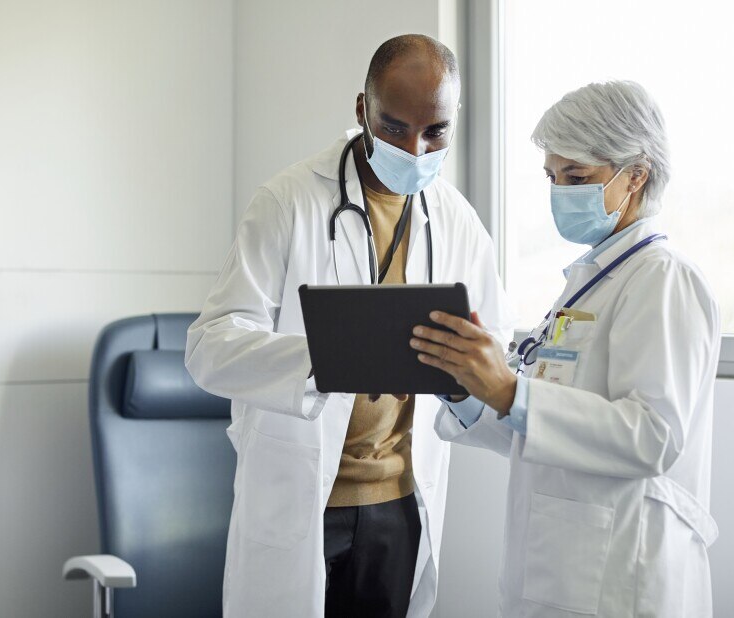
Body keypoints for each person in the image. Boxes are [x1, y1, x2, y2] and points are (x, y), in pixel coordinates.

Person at [186, 34, 514, 618]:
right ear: (363, 109)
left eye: (435, 131)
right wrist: (327, 357)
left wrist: (467, 370)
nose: (414, 149)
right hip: (302, 499)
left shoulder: (458, 220)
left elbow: (497, 351)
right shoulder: (288, 201)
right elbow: (209, 347)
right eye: (394, 128)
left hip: (400, 501)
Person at [410, 80, 720, 617]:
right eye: (552, 177)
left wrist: (512, 393)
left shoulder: (663, 279)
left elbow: (653, 437)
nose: (559, 193)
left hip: (624, 577)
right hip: (560, 568)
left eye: (576, 177)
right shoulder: (587, 284)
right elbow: (536, 430)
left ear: (636, 175)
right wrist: (466, 390)